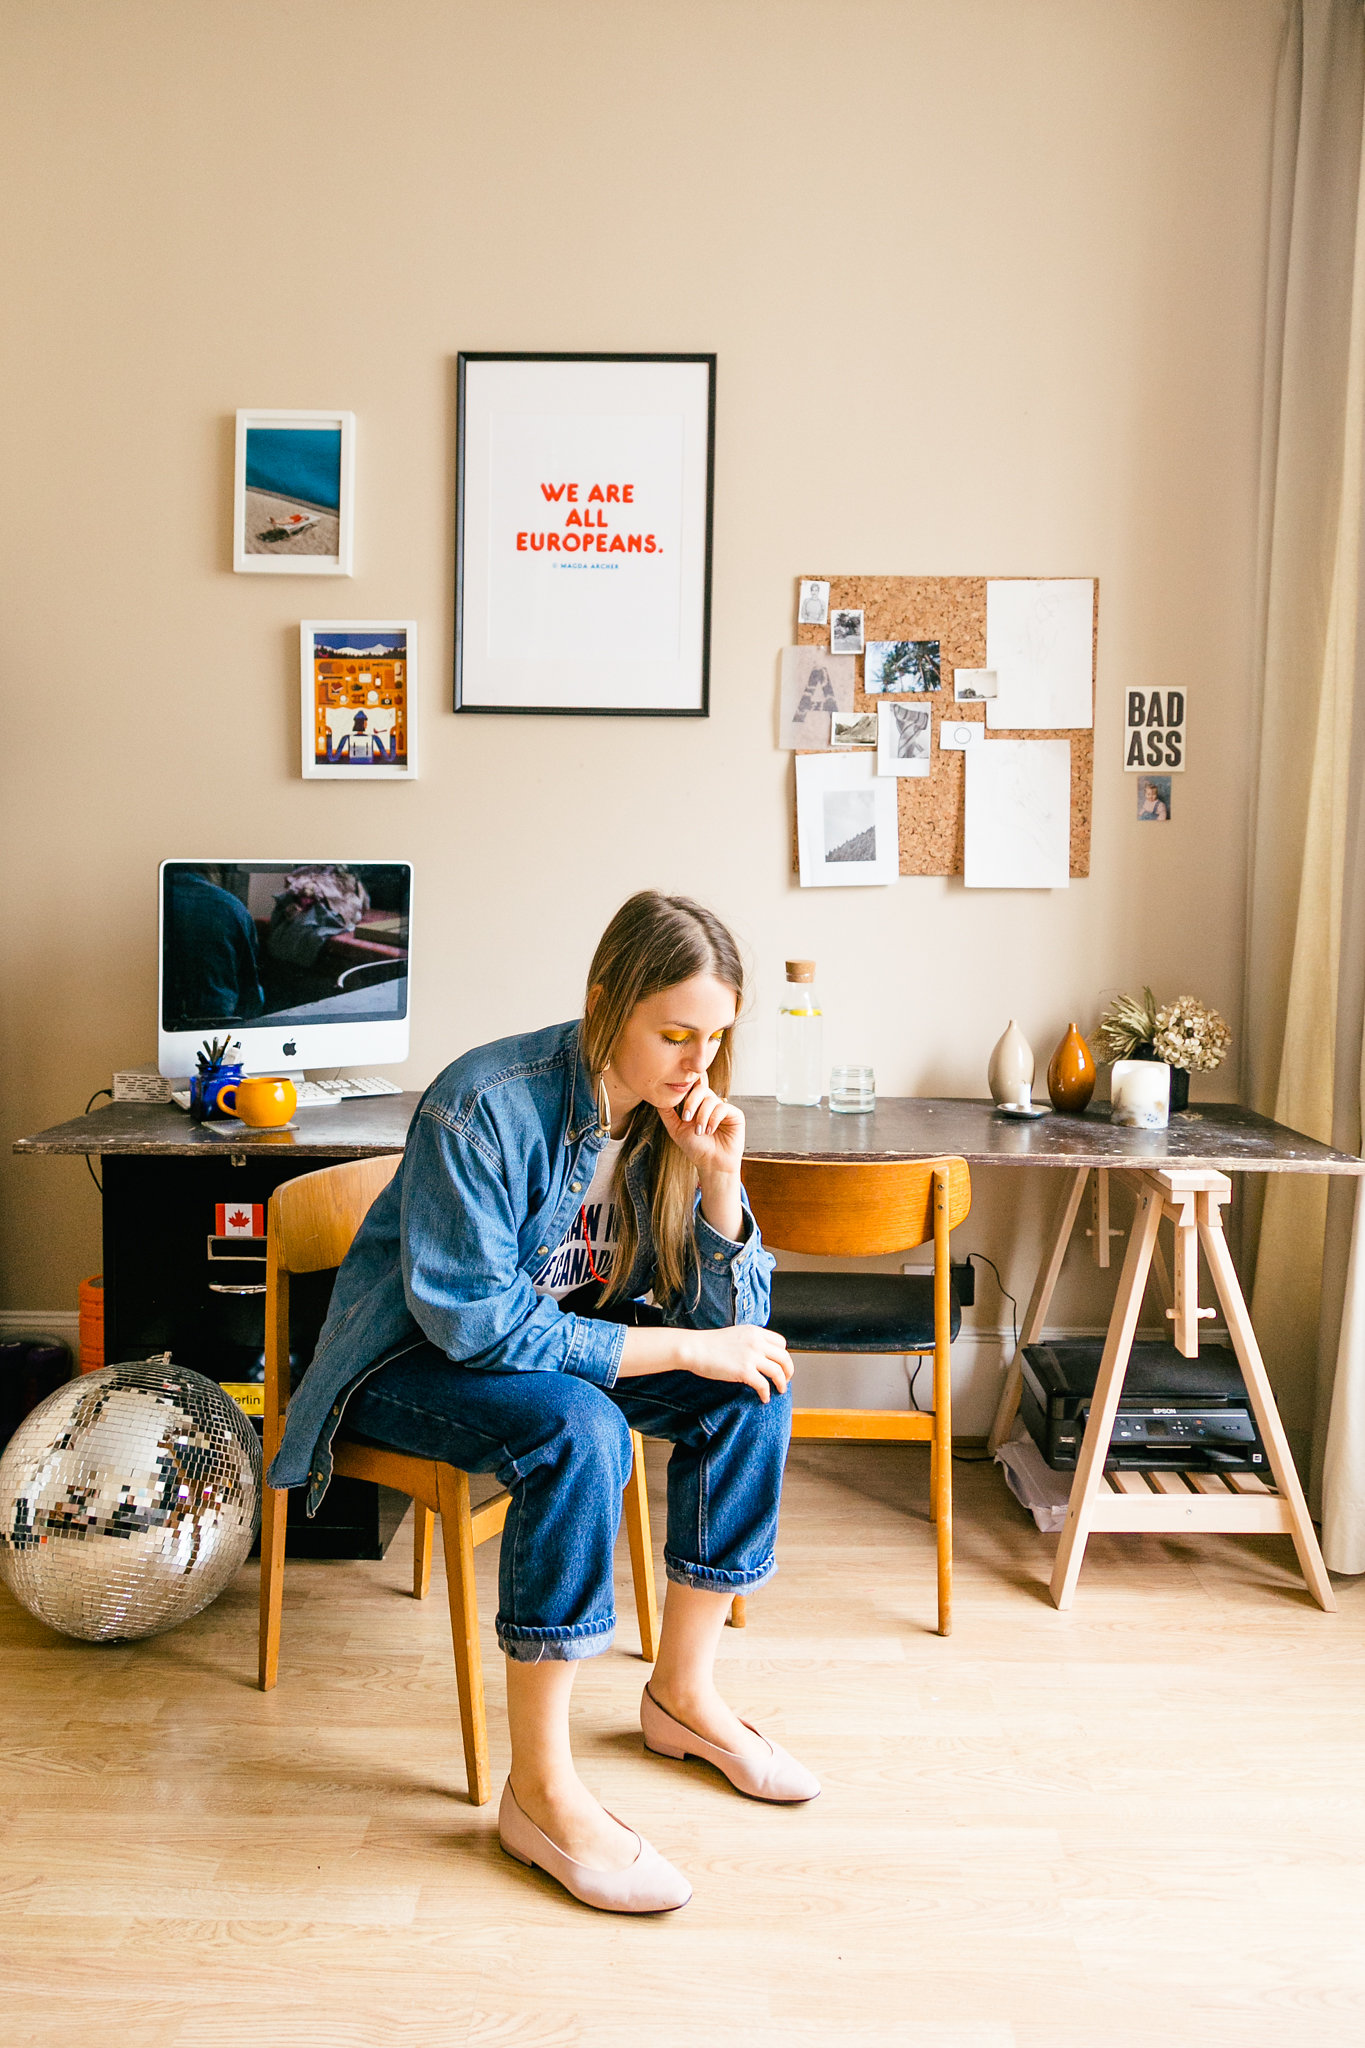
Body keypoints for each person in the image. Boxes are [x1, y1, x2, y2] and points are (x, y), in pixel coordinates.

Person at [268, 891, 815, 1915]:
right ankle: (540, 1787)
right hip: (404, 1363)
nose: (697, 1062)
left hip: (556, 1355)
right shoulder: (485, 1101)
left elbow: (722, 1315)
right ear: (607, 1002)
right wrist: (689, 1340)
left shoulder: (675, 1120)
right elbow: (483, 1329)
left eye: (716, 1037)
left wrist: (721, 1182)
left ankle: (684, 1697)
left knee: (750, 1385)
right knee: (580, 1425)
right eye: (676, 1033)